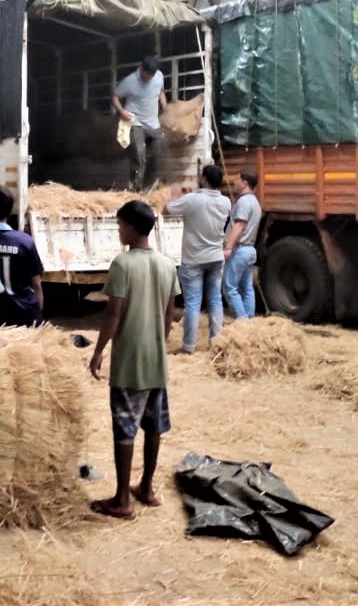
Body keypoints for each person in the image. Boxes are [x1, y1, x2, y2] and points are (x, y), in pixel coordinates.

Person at [88, 200, 179, 520]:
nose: (117, 230)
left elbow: (114, 312)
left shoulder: (123, 264)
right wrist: (159, 343)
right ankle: (147, 487)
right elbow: (170, 316)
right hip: (156, 360)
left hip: (129, 362)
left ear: (130, 227)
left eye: (119, 225)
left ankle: (122, 499)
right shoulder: (168, 265)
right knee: (153, 426)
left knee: (124, 429)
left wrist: (99, 350)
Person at [165, 165, 231, 354]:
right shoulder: (226, 202)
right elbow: (204, 203)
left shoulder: (193, 200)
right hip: (216, 257)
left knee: (193, 303)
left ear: (203, 179)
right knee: (215, 300)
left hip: (194, 259)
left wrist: (176, 193)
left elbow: (168, 209)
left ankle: (188, 346)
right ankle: (216, 342)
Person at [0, 184, 44, 327]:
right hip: (24, 317)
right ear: (10, 211)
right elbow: (36, 285)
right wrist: (37, 319)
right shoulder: (24, 241)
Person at [113, 56, 168, 192]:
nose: (148, 78)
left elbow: (160, 92)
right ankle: (135, 190)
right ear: (141, 69)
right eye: (146, 74)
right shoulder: (130, 81)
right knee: (139, 155)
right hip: (135, 122)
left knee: (156, 153)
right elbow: (115, 97)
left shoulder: (159, 76)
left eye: (151, 75)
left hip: (153, 123)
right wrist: (121, 111)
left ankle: (148, 187)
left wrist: (165, 107)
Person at [223, 170, 263, 320]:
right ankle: (249, 319)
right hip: (250, 249)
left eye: (237, 179)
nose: (234, 182)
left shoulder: (244, 202)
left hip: (240, 249)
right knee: (247, 288)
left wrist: (228, 247)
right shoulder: (255, 202)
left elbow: (239, 225)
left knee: (229, 286)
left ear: (245, 182)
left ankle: (242, 321)